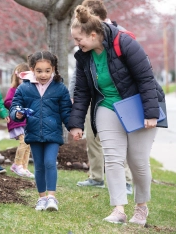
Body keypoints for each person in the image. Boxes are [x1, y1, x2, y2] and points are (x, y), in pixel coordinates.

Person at [68, 5, 165, 225]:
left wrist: (151, 113)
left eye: (78, 39)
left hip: (138, 106)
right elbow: (82, 92)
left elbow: (145, 78)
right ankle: (118, 209)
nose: (77, 44)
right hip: (107, 106)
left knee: (138, 161)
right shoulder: (84, 56)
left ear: (93, 35)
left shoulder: (124, 42)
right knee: (112, 158)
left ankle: (141, 208)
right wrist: (75, 123)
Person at [69, 0, 133, 195]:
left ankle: (126, 180)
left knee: (120, 142)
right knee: (93, 138)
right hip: (94, 97)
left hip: (119, 99)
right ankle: (96, 176)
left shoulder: (121, 36)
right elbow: (79, 75)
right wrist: (74, 98)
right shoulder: (83, 43)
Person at [9, 51, 72, 211]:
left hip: (53, 133)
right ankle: (42, 198)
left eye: (47, 70)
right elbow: (15, 106)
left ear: (53, 69)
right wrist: (17, 113)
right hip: (34, 132)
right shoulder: (24, 88)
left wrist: (74, 126)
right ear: (31, 69)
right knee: (38, 166)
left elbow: (66, 110)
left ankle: (52, 198)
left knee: (50, 162)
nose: (43, 75)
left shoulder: (59, 88)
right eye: (39, 71)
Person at [4, 63, 34, 178]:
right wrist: (18, 107)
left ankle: (24, 167)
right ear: (17, 77)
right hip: (17, 121)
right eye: (22, 78)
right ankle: (17, 164)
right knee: (23, 142)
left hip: (26, 122)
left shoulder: (30, 91)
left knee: (28, 144)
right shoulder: (14, 90)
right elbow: (7, 102)